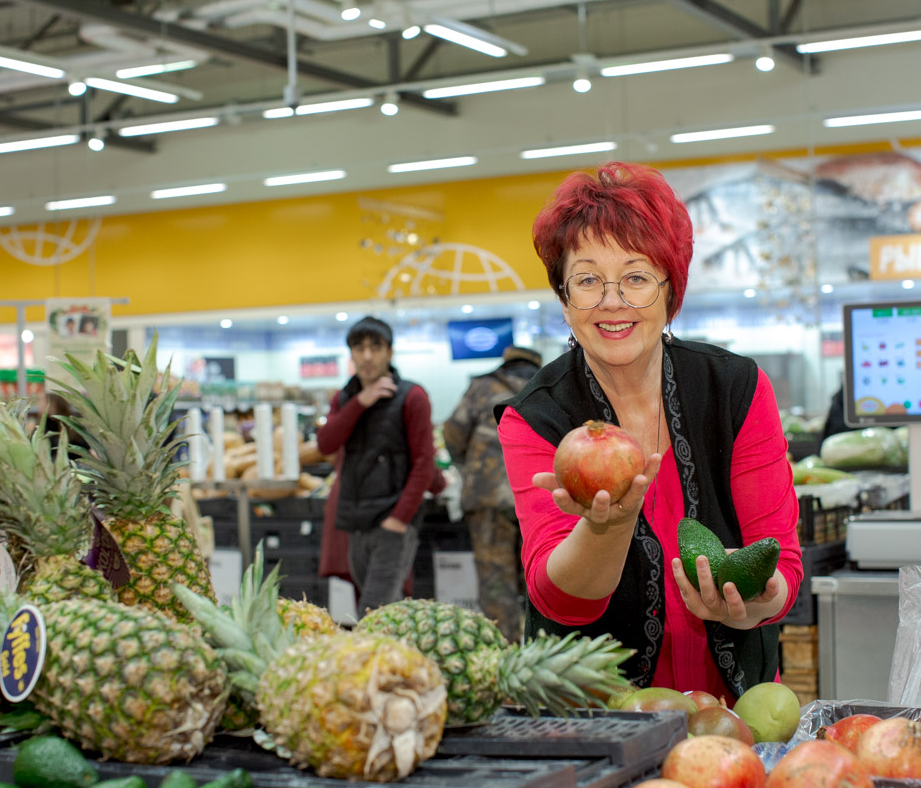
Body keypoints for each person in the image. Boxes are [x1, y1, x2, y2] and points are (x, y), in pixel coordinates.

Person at [495, 162, 802, 701]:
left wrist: (759, 601)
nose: (612, 301)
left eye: (636, 277)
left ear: (669, 289)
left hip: (737, 707)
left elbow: (783, 562)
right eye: (587, 280)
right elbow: (559, 599)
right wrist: (605, 528)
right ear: (564, 297)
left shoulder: (736, 388)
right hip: (600, 714)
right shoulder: (535, 416)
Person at [316, 316, 440, 617]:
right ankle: (398, 663)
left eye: (376, 347)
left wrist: (398, 519)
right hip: (355, 523)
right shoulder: (344, 398)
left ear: (390, 352)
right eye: (359, 348)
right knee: (382, 612)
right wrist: (360, 402)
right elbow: (325, 444)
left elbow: (424, 463)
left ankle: (380, 663)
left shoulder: (412, 396)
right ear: (351, 354)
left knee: (374, 610)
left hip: (391, 523)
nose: (367, 355)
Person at [443, 345, 543, 642]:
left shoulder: (482, 387)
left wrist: (471, 466)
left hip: (487, 498)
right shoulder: (548, 389)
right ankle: (540, 654)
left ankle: (502, 657)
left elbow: (453, 434)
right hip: (538, 498)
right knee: (539, 581)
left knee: (495, 585)